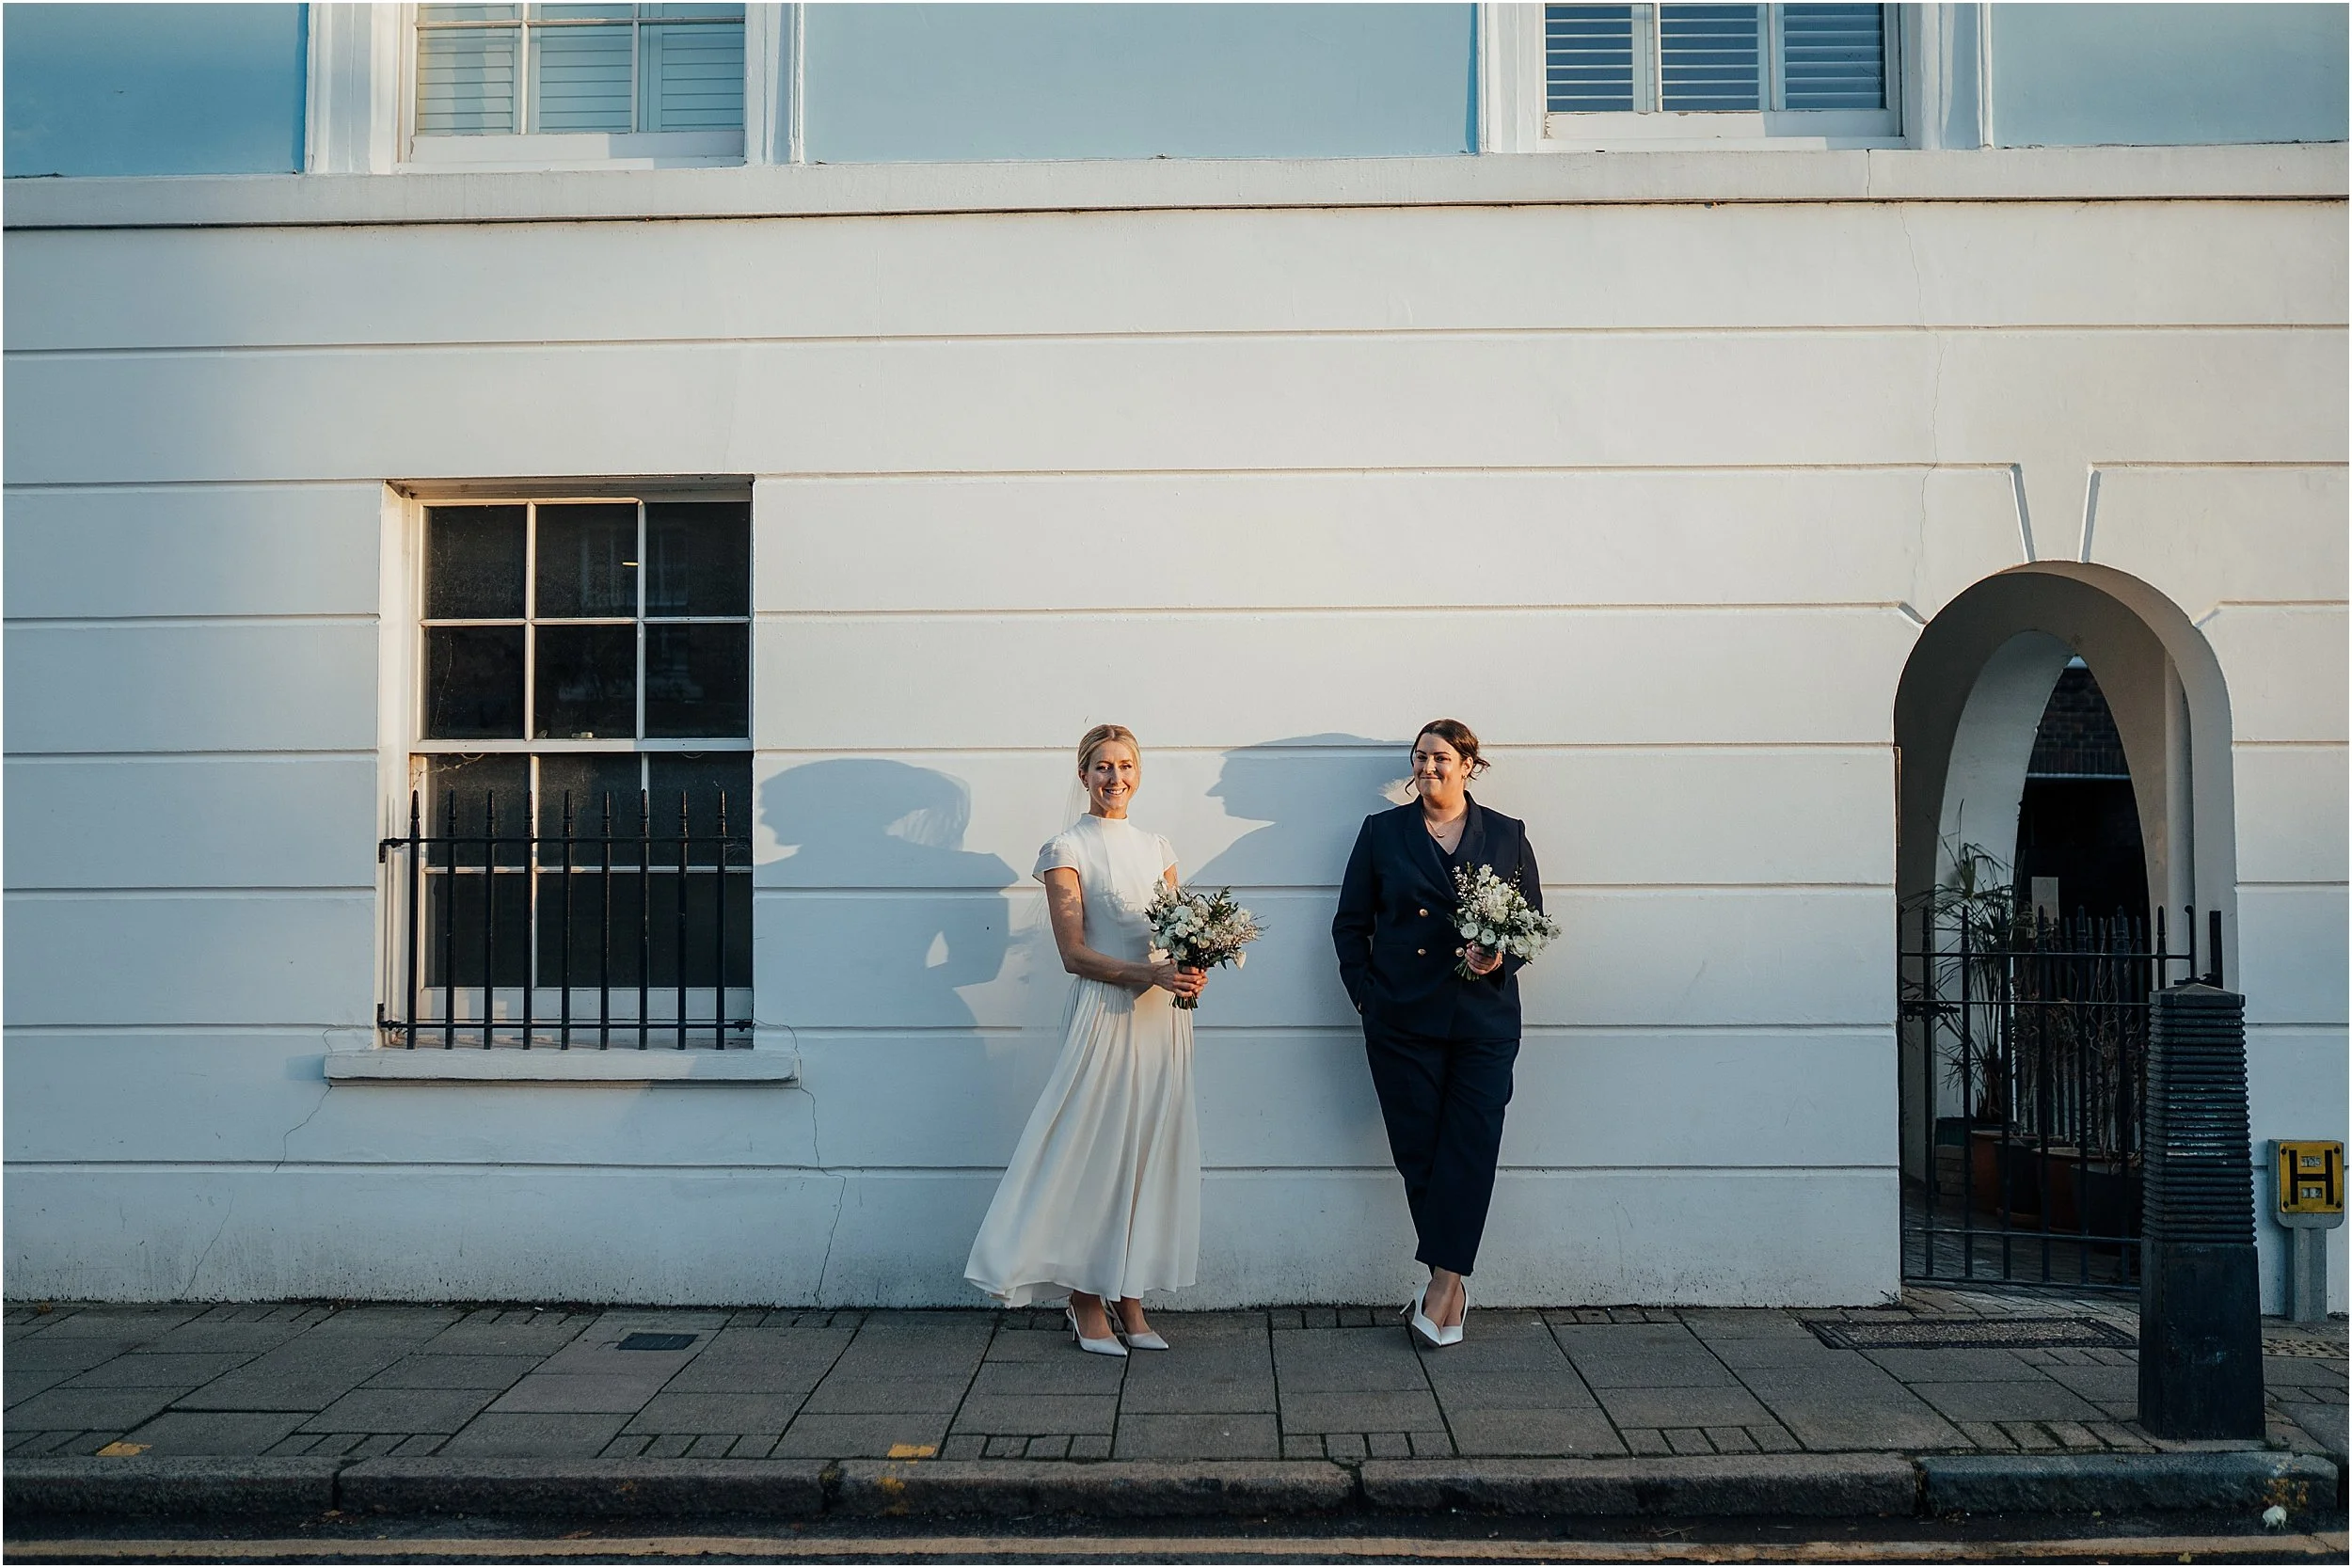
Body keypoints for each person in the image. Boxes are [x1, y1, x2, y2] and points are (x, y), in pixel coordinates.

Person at [965, 724, 1207, 1354]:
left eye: (1126, 766)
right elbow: (1074, 953)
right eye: (1103, 767)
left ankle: (1130, 1295)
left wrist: (1188, 971)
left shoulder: (1158, 846)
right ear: (1083, 775)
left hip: (1163, 1022)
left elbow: (1177, 936)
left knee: (1144, 1154)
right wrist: (1145, 974)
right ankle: (1083, 1296)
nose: (1116, 778)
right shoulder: (1066, 847)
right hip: (1106, 1014)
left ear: (1138, 772)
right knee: (1094, 1151)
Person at [1330, 719, 1542, 1348]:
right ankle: (1446, 1284)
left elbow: (1529, 922)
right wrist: (1367, 995)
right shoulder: (1381, 833)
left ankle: (1445, 1285)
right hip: (1400, 1018)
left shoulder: (1505, 835)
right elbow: (1350, 923)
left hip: (1482, 1020)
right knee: (1419, 1148)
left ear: (1469, 764)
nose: (1427, 768)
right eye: (1419, 758)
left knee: (1470, 1145)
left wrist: (1500, 956)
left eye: (1441, 757)